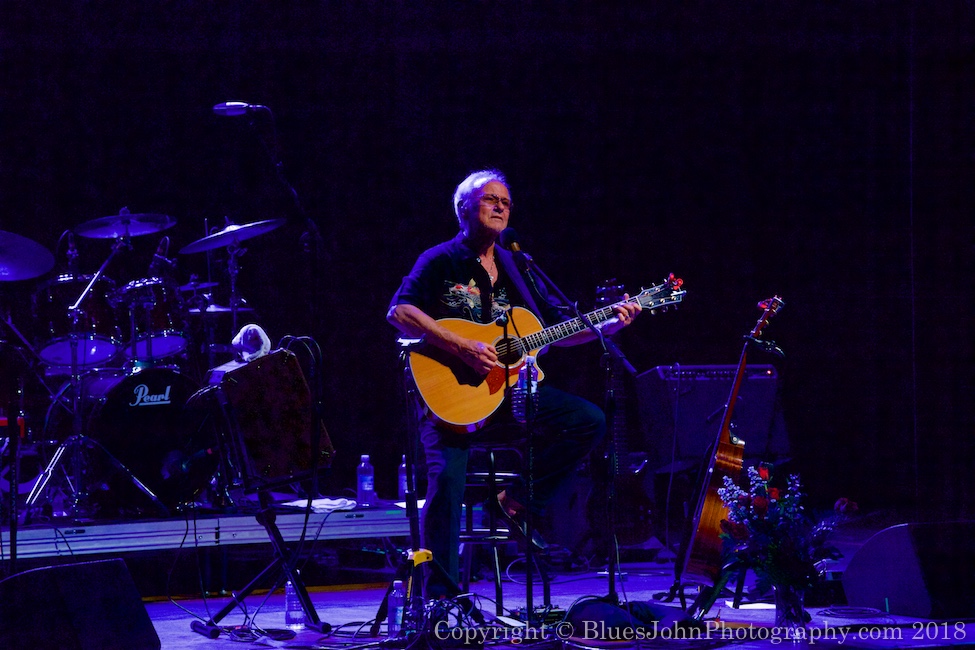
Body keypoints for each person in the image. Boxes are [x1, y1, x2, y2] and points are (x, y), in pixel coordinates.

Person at [386, 169, 641, 596]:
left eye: (506, 200)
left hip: (507, 397)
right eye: (490, 199)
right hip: (449, 398)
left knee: (588, 419)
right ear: (463, 208)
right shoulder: (439, 260)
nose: (501, 206)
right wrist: (462, 345)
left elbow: (553, 332)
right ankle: (442, 602)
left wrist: (607, 326)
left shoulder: (515, 266)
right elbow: (399, 312)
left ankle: (516, 499)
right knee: (446, 482)